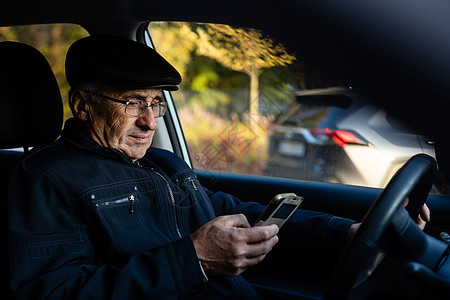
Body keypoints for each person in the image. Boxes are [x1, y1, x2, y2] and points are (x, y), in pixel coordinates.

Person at [6, 35, 430, 299]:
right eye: (133, 103)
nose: (149, 121)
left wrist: (349, 235)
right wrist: (194, 260)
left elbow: (238, 214)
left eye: (155, 104)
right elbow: (49, 291)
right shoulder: (43, 179)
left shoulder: (161, 163)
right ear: (82, 106)